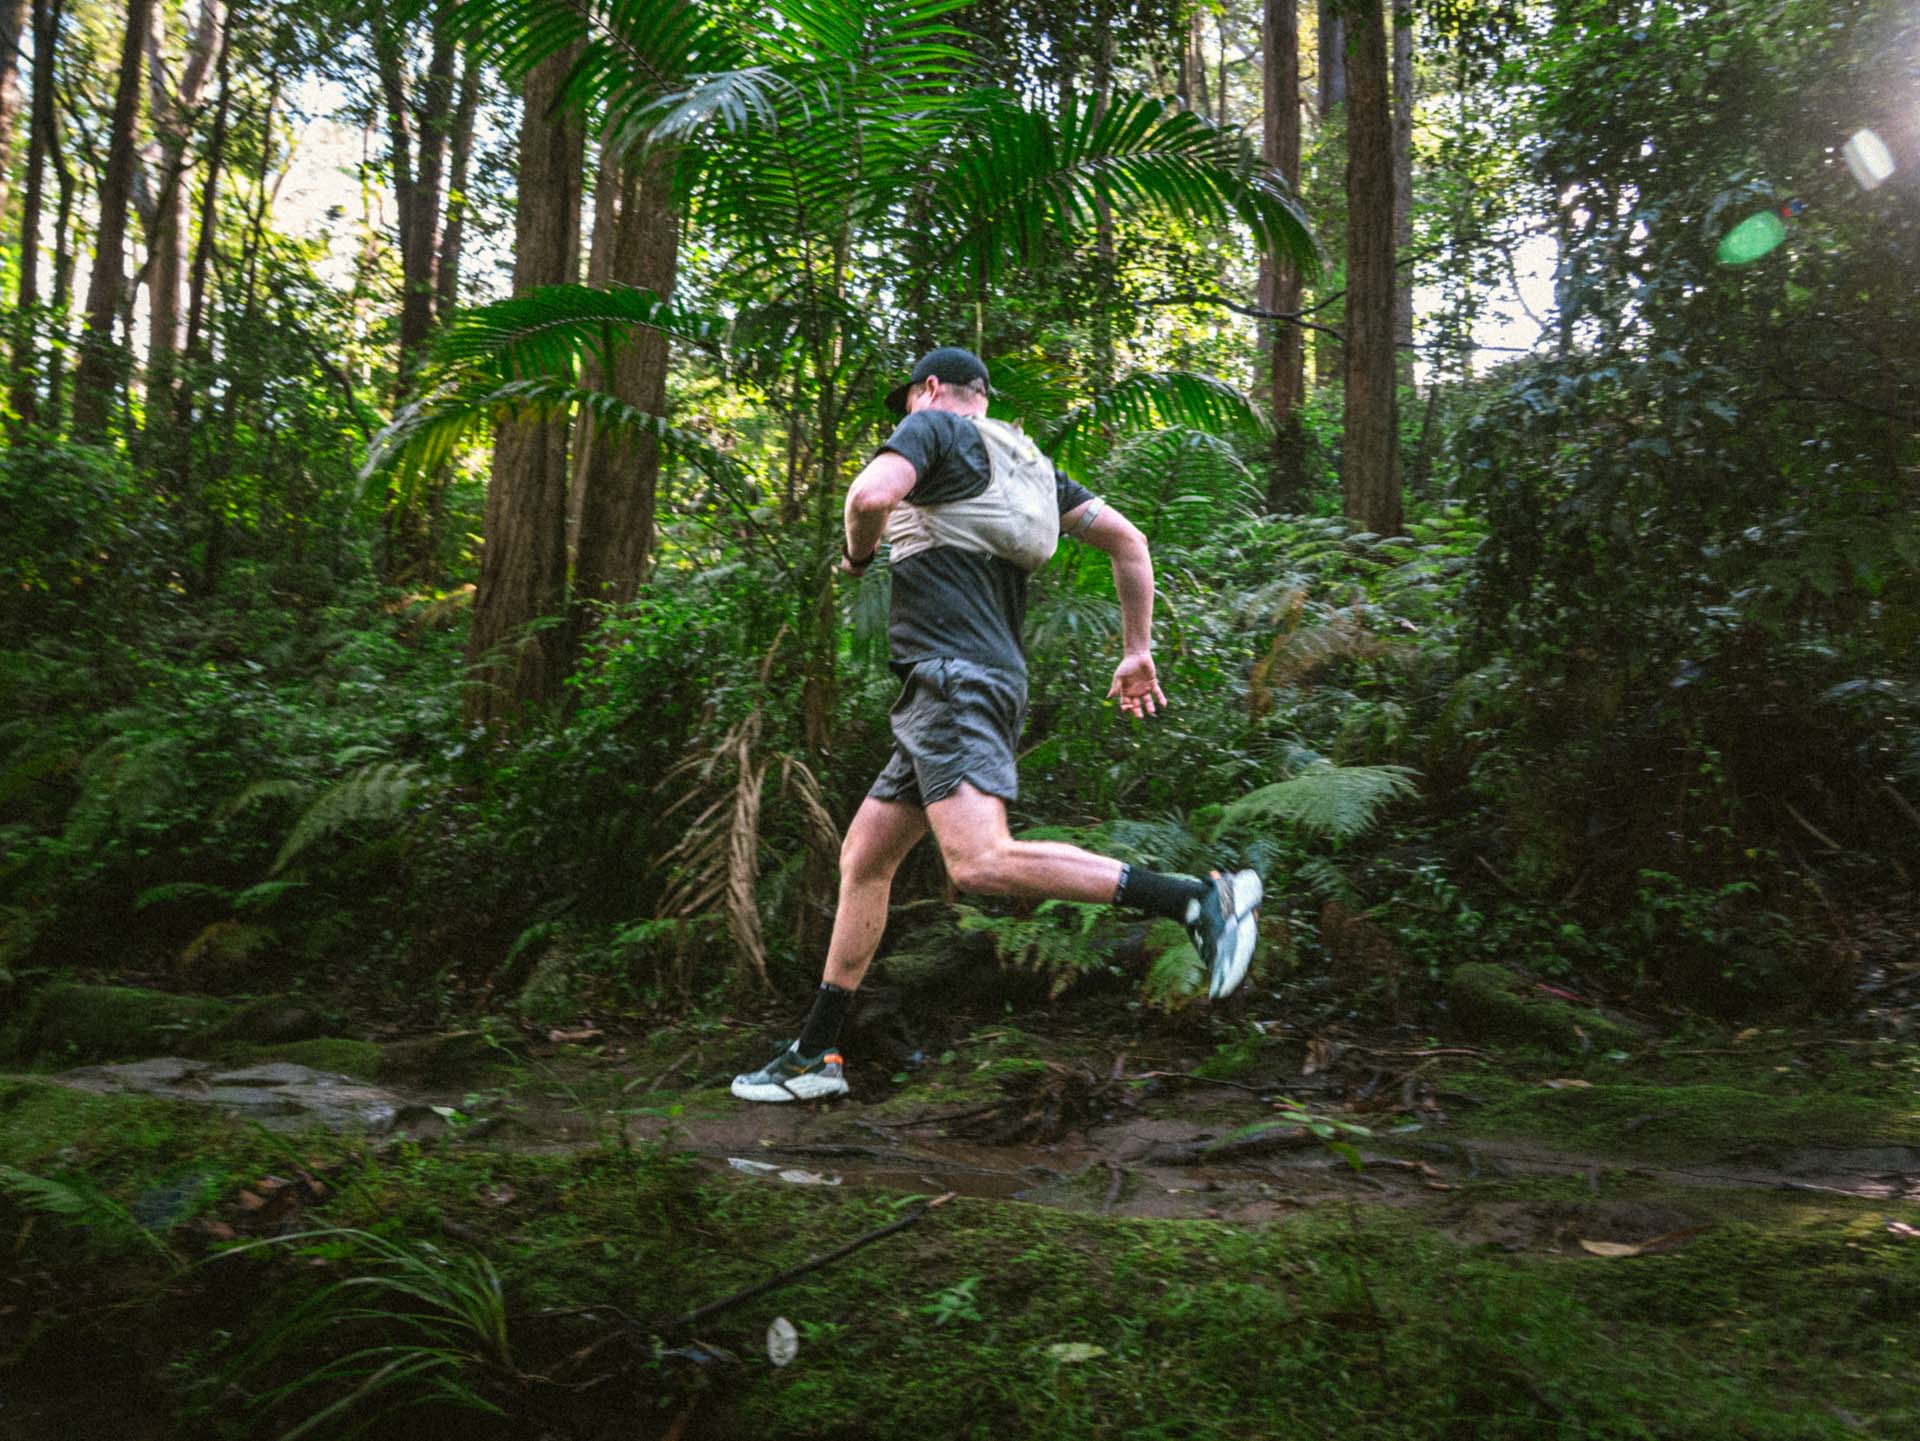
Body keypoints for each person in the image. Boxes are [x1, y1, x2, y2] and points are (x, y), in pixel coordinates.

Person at [732, 347, 1261, 1103]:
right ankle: (816, 1051)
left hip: (951, 678)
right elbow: (1130, 542)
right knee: (865, 856)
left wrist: (856, 558)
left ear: (934, 390)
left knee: (979, 862)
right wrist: (1136, 651)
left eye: (910, 401)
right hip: (969, 681)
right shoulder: (1034, 468)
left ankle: (1193, 898)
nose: (906, 415)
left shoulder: (933, 430)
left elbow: (868, 498)